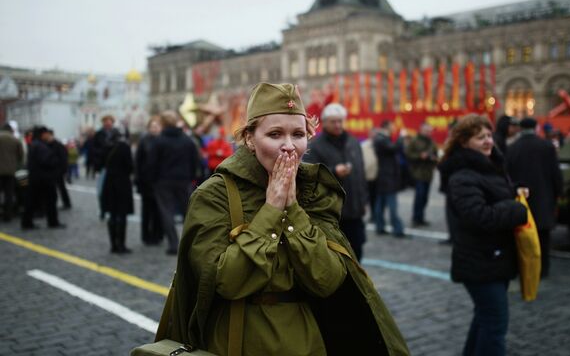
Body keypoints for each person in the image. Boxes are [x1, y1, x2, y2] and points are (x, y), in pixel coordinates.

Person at [165, 82, 409, 355]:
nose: (289, 147)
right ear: (249, 138)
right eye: (275, 134)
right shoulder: (215, 194)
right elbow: (225, 282)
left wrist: (292, 210)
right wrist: (271, 210)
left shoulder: (313, 190)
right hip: (239, 340)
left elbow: (327, 279)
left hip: (306, 341)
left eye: (298, 134)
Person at [437, 114, 528, 356]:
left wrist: (515, 191)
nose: (488, 141)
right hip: (480, 261)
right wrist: (514, 209)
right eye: (480, 137)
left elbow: (493, 195)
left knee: (485, 319)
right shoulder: (463, 175)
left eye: (489, 135)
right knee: (495, 325)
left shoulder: (489, 166)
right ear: (464, 142)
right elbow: (479, 216)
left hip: (494, 258)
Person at [303, 103, 368, 260]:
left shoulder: (352, 142)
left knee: (357, 251)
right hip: (331, 213)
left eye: (340, 121)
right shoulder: (315, 146)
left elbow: (361, 173)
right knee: (335, 255)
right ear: (324, 122)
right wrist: (333, 172)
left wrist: (364, 200)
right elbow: (309, 174)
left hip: (354, 209)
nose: (338, 125)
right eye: (333, 121)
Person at [506, 117, 563, 277]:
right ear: (536, 127)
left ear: (520, 128)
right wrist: (559, 192)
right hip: (544, 196)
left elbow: (507, 174)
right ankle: (543, 268)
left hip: (520, 197)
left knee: (520, 235)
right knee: (543, 236)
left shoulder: (513, 148)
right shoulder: (546, 146)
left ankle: (521, 267)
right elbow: (555, 172)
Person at [149, 111, 200, 255]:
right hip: (183, 181)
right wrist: (191, 177)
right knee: (187, 213)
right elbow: (195, 160)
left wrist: (152, 180)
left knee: (167, 212)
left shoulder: (158, 141)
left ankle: (173, 244)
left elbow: (152, 163)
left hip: (163, 181)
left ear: (163, 124)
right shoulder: (186, 140)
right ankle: (190, 243)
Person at [21, 127, 66, 229]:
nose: (49, 136)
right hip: (44, 178)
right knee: (50, 200)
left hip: (36, 177)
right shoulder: (41, 146)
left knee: (32, 201)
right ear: (43, 134)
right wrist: (55, 161)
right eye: (47, 134)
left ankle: (27, 222)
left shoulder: (35, 144)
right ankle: (52, 222)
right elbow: (47, 161)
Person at [101, 129, 134, 253]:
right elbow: (130, 166)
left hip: (109, 184)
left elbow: (101, 164)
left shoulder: (106, 147)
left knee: (112, 214)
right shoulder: (124, 147)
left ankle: (113, 245)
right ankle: (121, 244)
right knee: (122, 215)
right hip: (122, 183)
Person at [373, 120, 405, 237]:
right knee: (391, 204)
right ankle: (397, 229)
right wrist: (401, 137)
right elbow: (394, 148)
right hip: (387, 177)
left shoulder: (382, 138)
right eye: (392, 126)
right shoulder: (381, 139)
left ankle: (380, 226)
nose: (394, 128)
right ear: (387, 127)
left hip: (385, 176)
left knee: (380, 203)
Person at [134, 116, 163, 245]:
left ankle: (158, 234)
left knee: (159, 210)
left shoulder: (163, 141)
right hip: (146, 181)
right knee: (146, 210)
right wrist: (138, 179)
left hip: (160, 181)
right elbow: (138, 162)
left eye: (157, 126)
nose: (154, 128)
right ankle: (146, 235)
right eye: (152, 126)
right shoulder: (144, 141)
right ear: (149, 128)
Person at [406, 123, 438, 227]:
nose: (428, 133)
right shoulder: (415, 140)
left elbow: (436, 156)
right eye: (426, 131)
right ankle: (416, 218)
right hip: (418, 173)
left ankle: (421, 217)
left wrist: (433, 158)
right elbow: (408, 154)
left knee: (425, 197)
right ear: (421, 130)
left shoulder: (432, 142)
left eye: (429, 131)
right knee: (419, 196)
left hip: (428, 173)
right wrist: (420, 156)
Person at [0, 123, 24, 221]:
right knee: (8, 194)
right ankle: (8, 215)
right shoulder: (15, 140)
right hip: (10, 171)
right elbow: (21, 155)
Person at [361, 128, 379, 222]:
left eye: (376, 134)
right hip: (367, 176)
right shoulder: (364, 145)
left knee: (376, 198)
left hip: (377, 176)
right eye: (373, 134)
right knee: (367, 197)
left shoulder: (380, 145)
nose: (374, 136)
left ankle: (376, 215)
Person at [51, 133, 71, 210]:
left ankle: (66, 203)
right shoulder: (57, 145)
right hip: (57, 170)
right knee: (60, 188)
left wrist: (64, 170)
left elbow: (63, 159)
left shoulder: (57, 145)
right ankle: (65, 202)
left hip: (58, 170)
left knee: (61, 188)